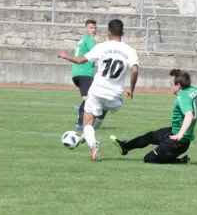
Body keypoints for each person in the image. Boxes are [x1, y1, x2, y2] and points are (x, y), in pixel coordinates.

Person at [110, 70, 197, 164]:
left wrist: (180, 134)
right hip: (173, 131)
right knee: (150, 136)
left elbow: (189, 116)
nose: (170, 85)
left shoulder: (182, 96)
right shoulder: (193, 90)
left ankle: (179, 161)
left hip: (179, 141)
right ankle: (126, 147)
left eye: (171, 83)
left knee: (148, 159)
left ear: (178, 86)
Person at [58, 19, 139, 162]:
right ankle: (84, 138)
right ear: (123, 33)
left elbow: (81, 60)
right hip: (114, 94)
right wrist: (131, 90)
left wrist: (65, 56)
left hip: (98, 90)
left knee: (87, 123)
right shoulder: (130, 50)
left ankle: (93, 145)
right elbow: (135, 70)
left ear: (108, 32)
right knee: (100, 116)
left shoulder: (102, 46)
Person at [64, 19, 97, 131]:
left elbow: (74, 56)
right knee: (87, 100)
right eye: (91, 28)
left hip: (76, 73)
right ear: (85, 29)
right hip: (85, 73)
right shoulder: (89, 39)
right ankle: (80, 122)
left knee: (88, 96)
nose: (94, 30)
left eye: (95, 28)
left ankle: (81, 109)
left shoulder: (81, 41)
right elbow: (96, 53)